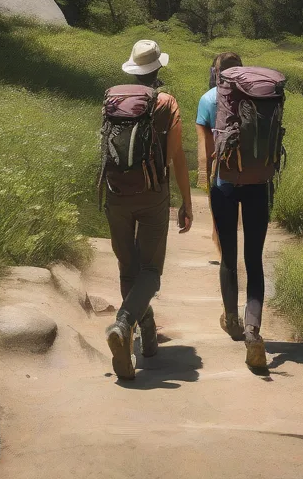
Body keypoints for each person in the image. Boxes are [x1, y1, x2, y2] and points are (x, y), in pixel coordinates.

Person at [104, 39, 193, 381]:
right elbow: (174, 159)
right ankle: (126, 324)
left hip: (115, 192)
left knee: (128, 269)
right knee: (151, 271)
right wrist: (185, 201)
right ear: (158, 69)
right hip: (152, 194)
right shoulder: (166, 102)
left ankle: (147, 332)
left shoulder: (113, 97)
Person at [196, 52, 270, 371]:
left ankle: (232, 320)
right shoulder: (260, 95)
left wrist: (204, 185)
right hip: (258, 183)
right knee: (254, 260)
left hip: (224, 183)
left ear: (217, 72)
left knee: (229, 257)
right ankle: (253, 330)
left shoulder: (208, 99)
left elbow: (205, 153)